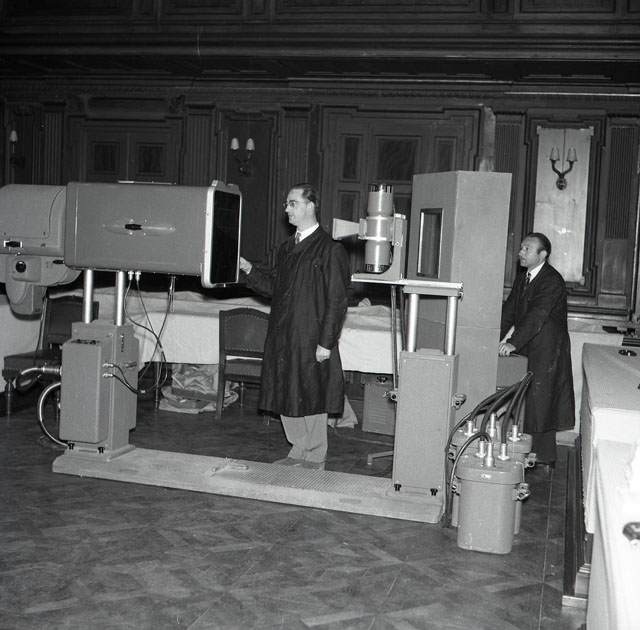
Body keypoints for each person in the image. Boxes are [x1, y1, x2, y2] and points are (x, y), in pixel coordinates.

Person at [238, 183, 349, 470]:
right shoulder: (286, 248)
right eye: (286, 204)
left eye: (292, 203)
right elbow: (273, 288)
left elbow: (337, 301)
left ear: (310, 206)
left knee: (312, 393)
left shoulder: (330, 249)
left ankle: (316, 455)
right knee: (284, 389)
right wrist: (249, 270)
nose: (286, 209)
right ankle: (298, 449)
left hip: (310, 336)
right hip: (283, 334)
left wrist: (326, 342)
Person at [498, 232, 575, 468]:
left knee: (542, 400)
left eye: (527, 249)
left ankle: (542, 456)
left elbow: (538, 313)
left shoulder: (552, 280)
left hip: (547, 348)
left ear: (543, 255)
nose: (520, 253)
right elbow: (509, 311)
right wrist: (490, 338)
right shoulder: (523, 278)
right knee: (530, 399)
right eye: (521, 248)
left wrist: (513, 342)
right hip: (530, 343)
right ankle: (530, 452)